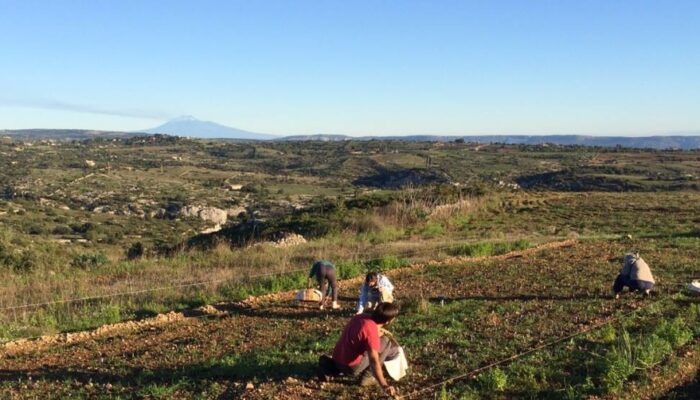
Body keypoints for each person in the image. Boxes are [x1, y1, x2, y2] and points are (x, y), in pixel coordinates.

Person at [319, 302, 401, 397]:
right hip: (350, 367)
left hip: (336, 359)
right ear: (388, 321)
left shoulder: (360, 317)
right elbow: (374, 361)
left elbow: (365, 333)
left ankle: (333, 369)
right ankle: (368, 377)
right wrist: (384, 385)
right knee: (386, 342)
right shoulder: (372, 333)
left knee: (380, 341)